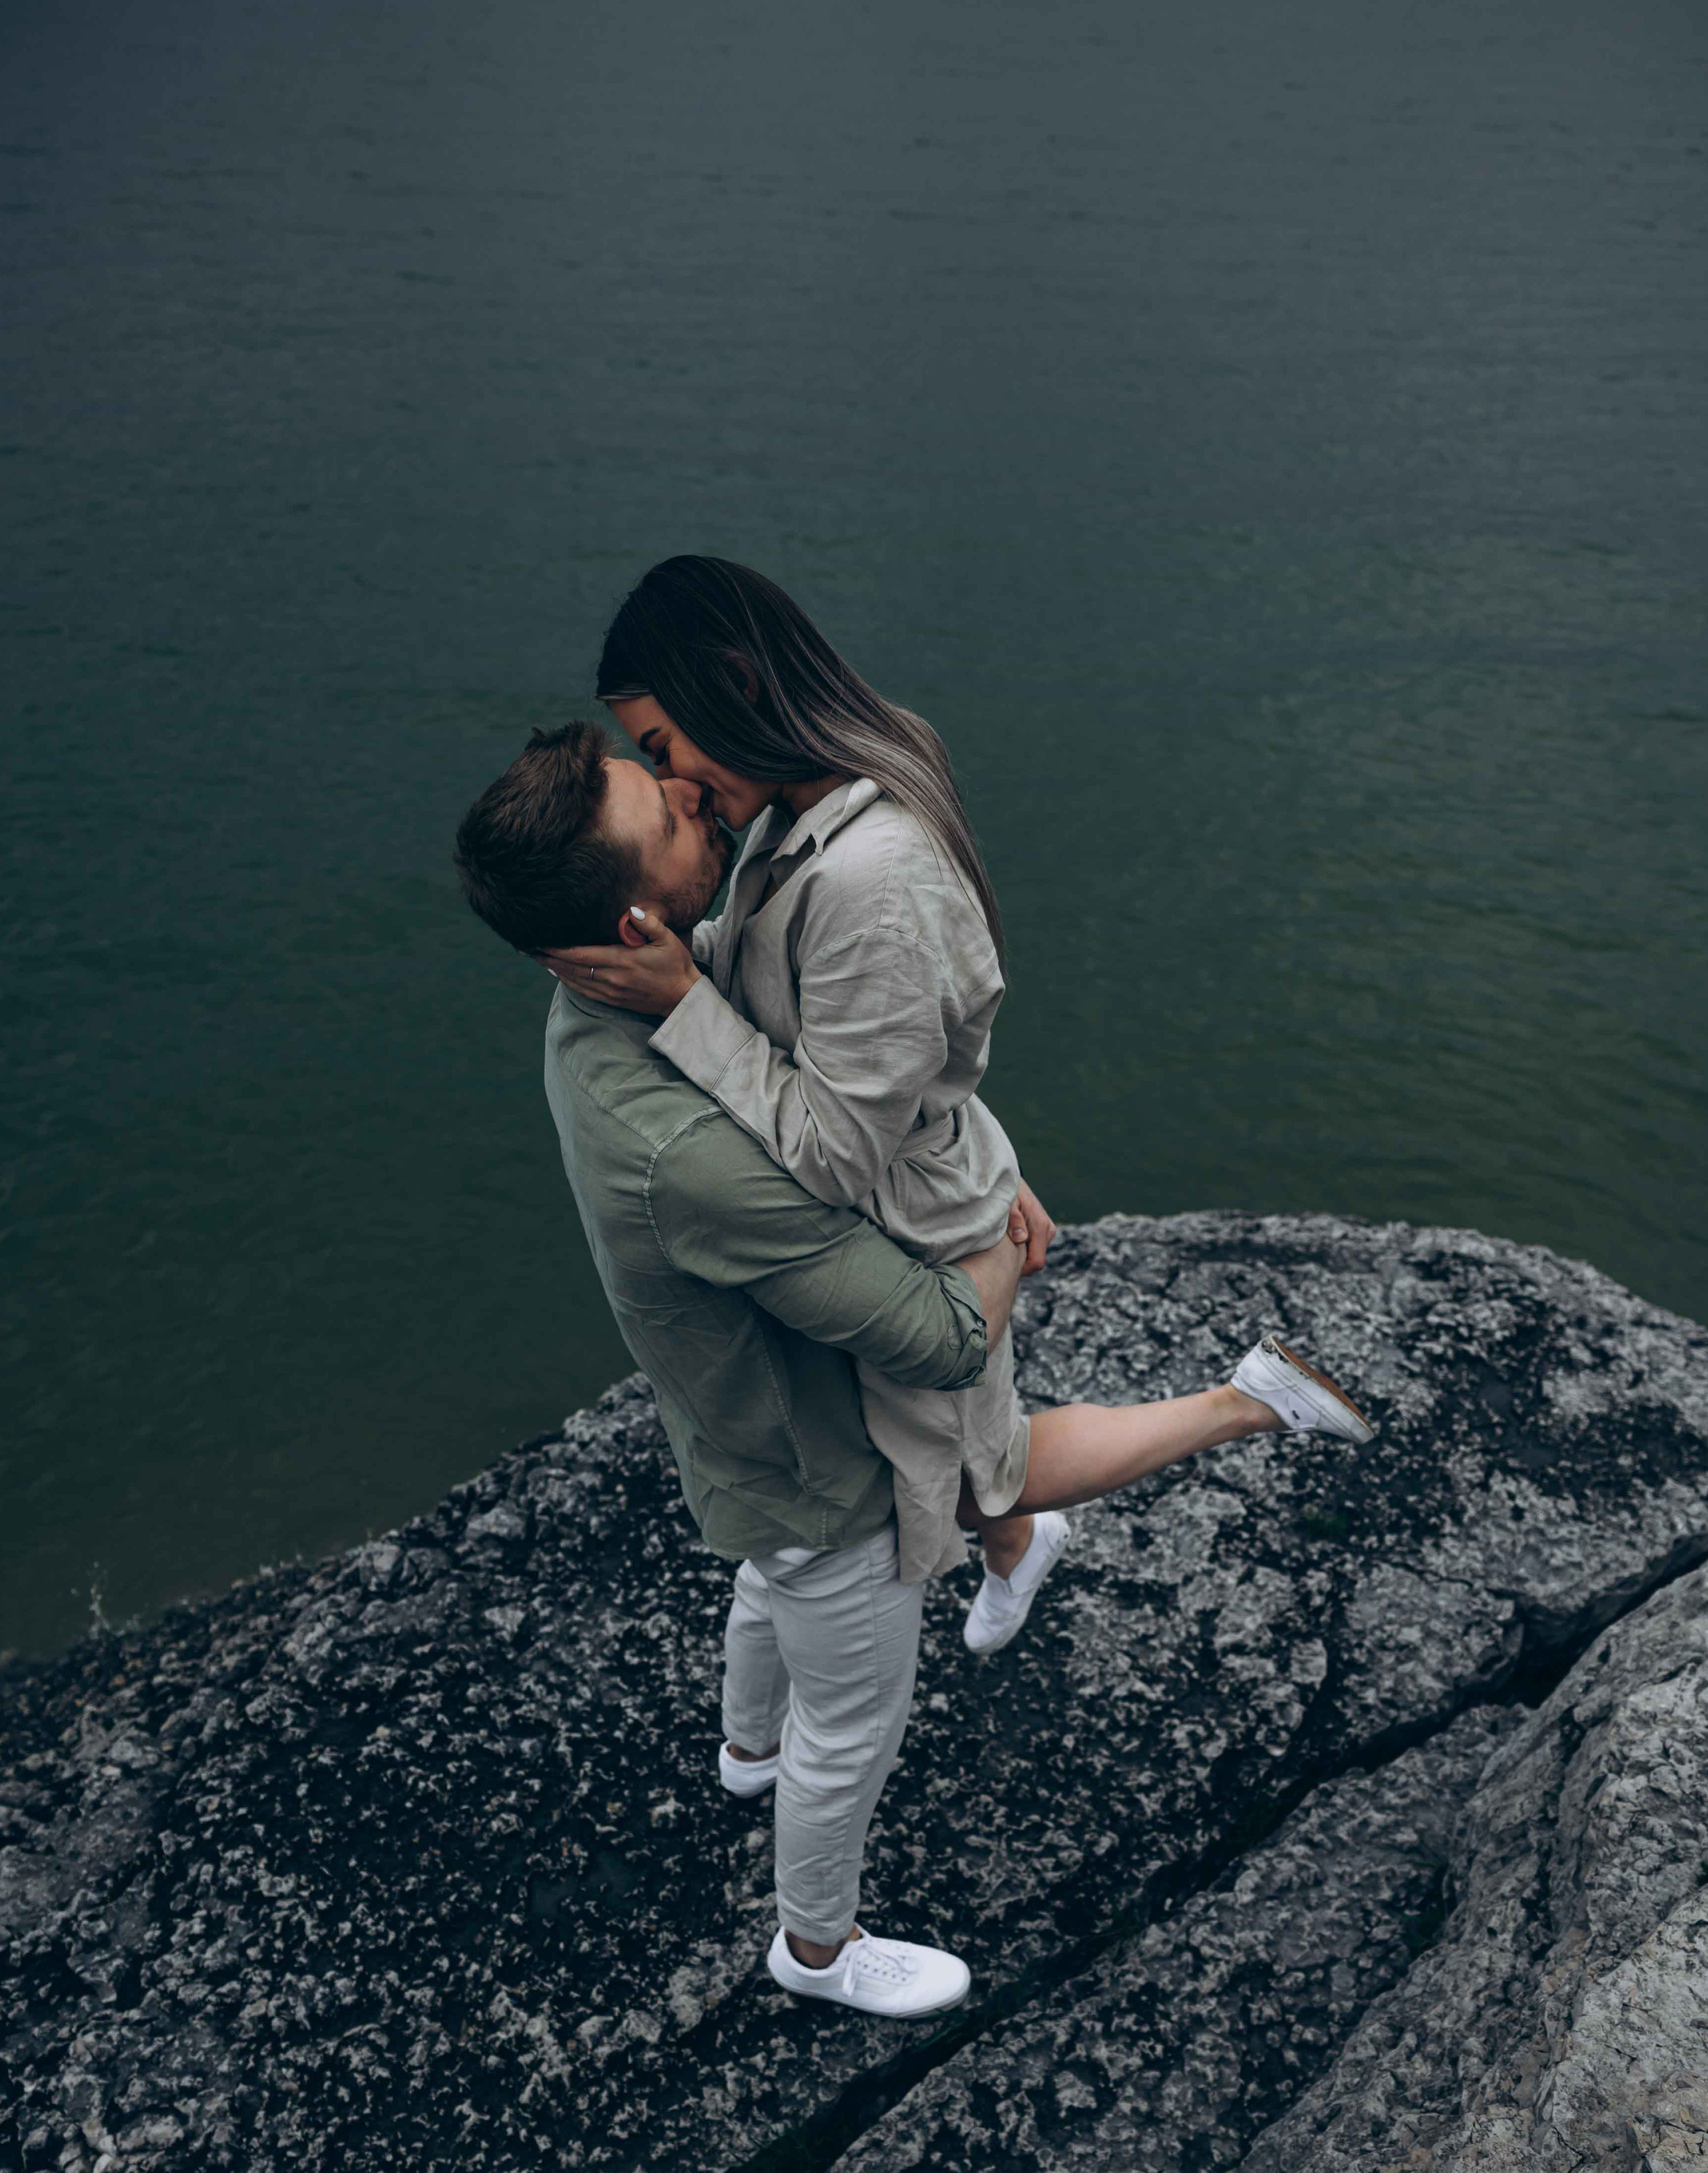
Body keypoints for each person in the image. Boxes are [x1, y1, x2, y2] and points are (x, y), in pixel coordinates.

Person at [455, 719, 1375, 2021]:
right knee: (853, 1727)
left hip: (741, 1434)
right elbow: (939, 1334)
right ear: (628, 924)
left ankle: (742, 1752)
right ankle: (816, 1952)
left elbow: (816, 1071)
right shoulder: (683, 1147)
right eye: (662, 809)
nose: (687, 789)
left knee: (768, 1593)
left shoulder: (602, 1011)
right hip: (828, 1466)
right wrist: (1000, 1236)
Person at [535, 556, 1373, 1679]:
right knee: (970, 1462)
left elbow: (839, 1144)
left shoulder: (867, 873)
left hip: (909, 1221)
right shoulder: (823, 793)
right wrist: (973, 1140)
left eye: (662, 749)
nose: (676, 785)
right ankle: (1024, 1547)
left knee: (984, 1470)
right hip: (918, 1180)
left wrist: (686, 1005)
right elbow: (888, 1043)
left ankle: (1244, 1404)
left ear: (732, 682)